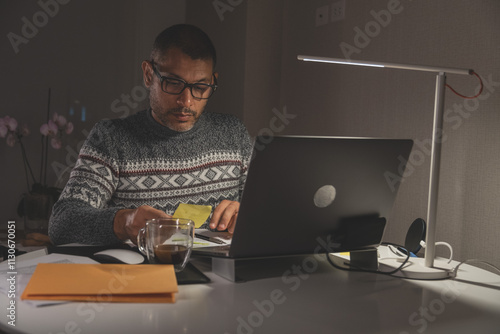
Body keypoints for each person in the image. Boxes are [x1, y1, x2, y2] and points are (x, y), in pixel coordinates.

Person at [48, 24, 253, 245]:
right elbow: (61, 222)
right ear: (148, 75)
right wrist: (125, 222)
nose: (186, 101)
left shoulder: (233, 134)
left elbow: (273, 213)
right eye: (173, 83)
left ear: (212, 81)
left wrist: (249, 215)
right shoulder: (110, 138)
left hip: (220, 278)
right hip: (140, 277)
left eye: (201, 87)